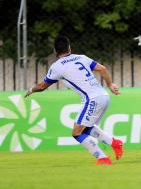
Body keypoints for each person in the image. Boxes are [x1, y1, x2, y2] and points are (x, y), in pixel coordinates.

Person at [25, 36, 123, 165]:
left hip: (91, 99)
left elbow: (42, 86)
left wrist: (31, 90)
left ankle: (102, 158)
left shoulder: (57, 67)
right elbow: (102, 69)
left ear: (55, 51)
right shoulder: (82, 57)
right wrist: (110, 85)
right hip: (103, 96)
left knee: (76, 133)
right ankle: (115, 143)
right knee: (85, 129)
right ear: (69, 47)